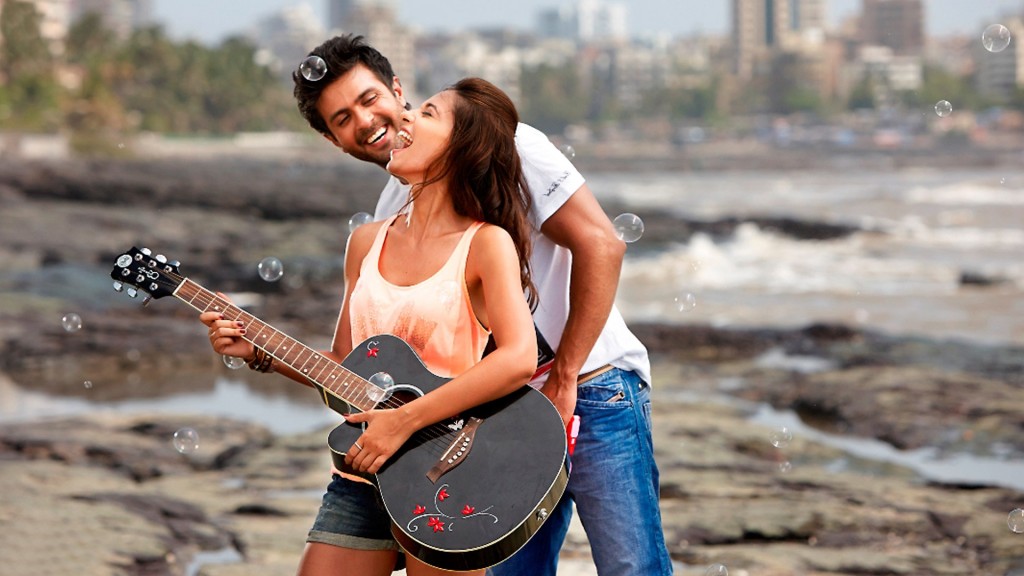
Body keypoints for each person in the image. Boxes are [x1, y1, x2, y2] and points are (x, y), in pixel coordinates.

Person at [292, 35, 673, 575]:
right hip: (491, 415)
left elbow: (602, 243)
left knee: (631, 566)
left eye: (371, 98)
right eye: (343, 118)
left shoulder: (509, 144)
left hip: (590, 386)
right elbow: (383, 360)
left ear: (397, 89)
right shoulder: (392, 208)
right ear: (336, 140)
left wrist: (562, 380)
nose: (367, 121)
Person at [203, 77, 540, 576]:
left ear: (462, 144)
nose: (404, 117)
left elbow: (518, 359)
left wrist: (402, 421)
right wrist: (258, 351)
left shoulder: (486, 244)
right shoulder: (365, 242)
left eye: (427, 113)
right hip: (362, 474)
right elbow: (342, 368)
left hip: (446, 473)